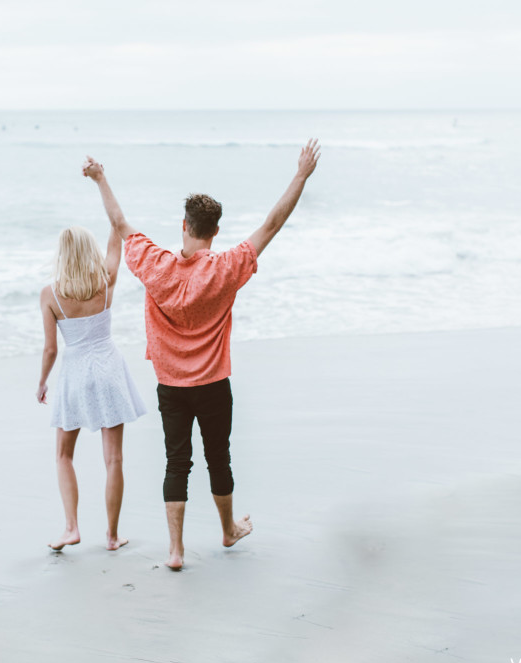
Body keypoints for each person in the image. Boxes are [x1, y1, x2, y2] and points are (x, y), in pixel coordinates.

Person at [82, 139, 321, 569]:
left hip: (171, 386)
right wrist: (301, 175)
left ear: (184, 226)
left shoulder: (155, 265)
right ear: (214, 231)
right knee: (218, 458)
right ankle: (228, 530)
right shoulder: (226, 268)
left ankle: (175, 551)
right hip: (213, 384)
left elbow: (119, 223)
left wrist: (100, 177)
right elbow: (271, 224)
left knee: (177, 461)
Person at [36, 224, 146, 552]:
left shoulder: (50, 294)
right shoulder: (105, 281)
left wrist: (42, 382)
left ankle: (71, 528)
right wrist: (105, 194)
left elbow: (51, 349)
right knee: (114, 460)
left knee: (63, 454)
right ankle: (112, 536)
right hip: (109, 368)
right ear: (89, 251)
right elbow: (117, 238)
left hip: (75, 374)